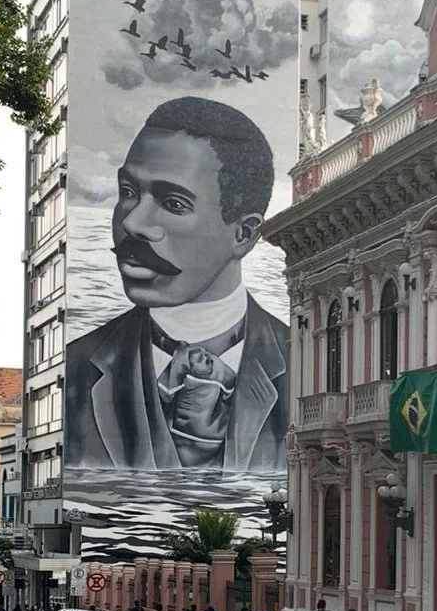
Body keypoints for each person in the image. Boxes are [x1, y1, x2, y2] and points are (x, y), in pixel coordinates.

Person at [65, 97, 290, 474]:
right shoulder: (75, 367)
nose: (134, 223)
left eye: (173, 203)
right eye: (128, 192)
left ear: (244, 234)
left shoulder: (305, 371)